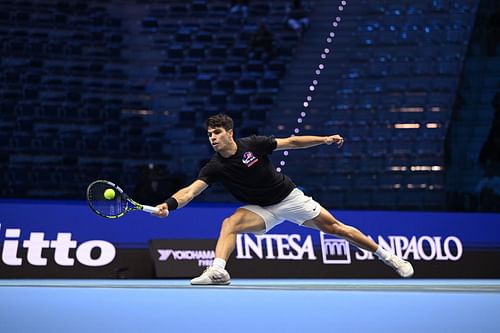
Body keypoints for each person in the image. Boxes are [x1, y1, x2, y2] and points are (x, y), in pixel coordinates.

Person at [153, 114, 414, 284]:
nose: (213, 138)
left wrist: (323, 139)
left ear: (230, 133)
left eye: (217, 132)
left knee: (337, 228)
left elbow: (292, 142)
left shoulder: (253, 144)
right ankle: (218, 271)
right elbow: (190, 191)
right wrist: (169, 204)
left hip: (288, 197)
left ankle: (389, 257)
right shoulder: (214, 166)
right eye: (210, 134)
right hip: (261, 208)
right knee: (229, 223)